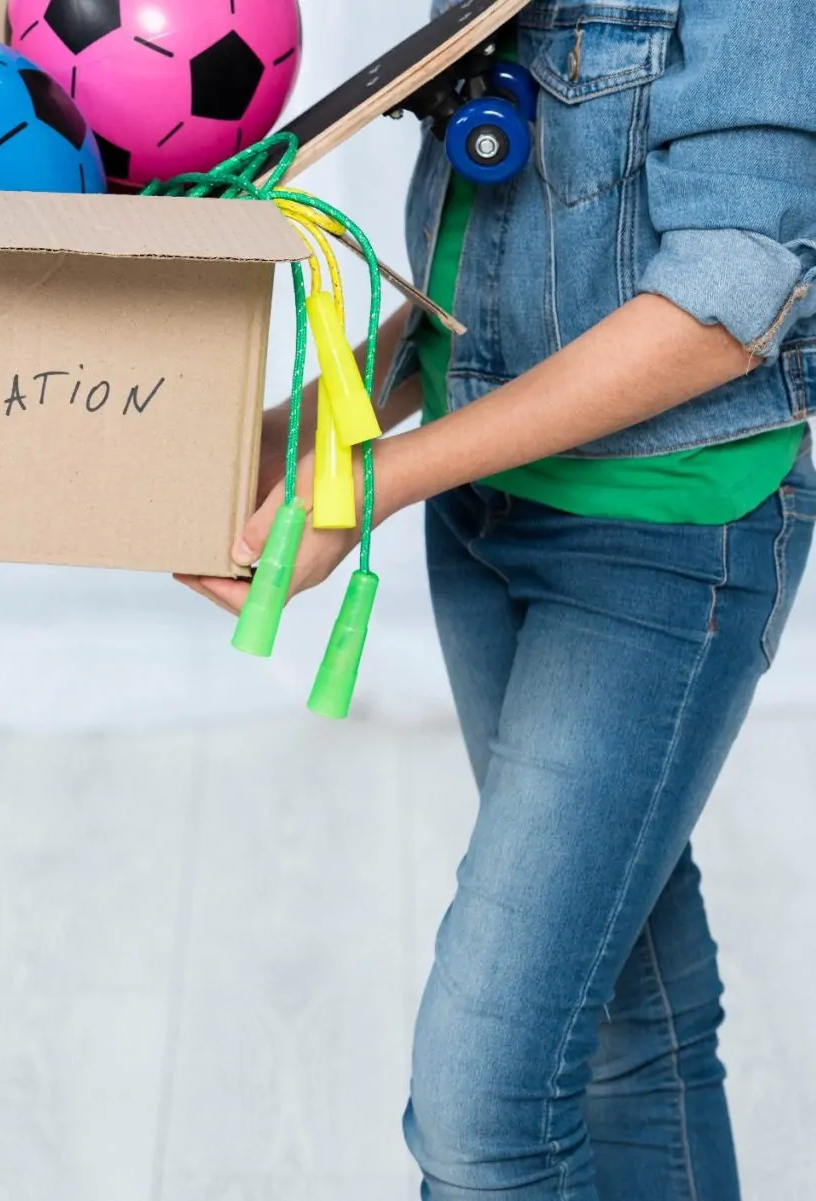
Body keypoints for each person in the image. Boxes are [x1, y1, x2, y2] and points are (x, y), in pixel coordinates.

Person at [182, 2, 816, 1198]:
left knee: (483, 1115)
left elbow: (728, 301)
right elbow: (501, 286)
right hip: (492, 512)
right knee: (630, 1005)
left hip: (666, 534)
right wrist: (301, 429)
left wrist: (367, 487)